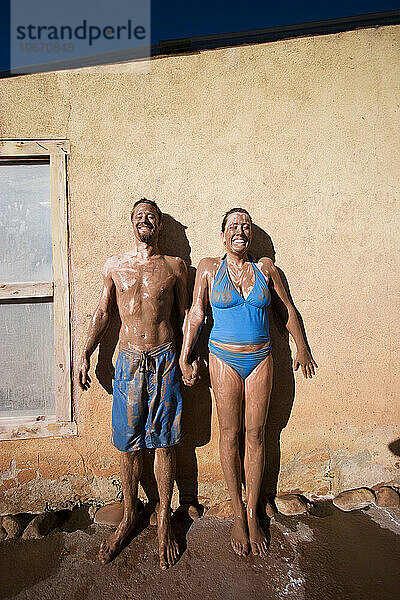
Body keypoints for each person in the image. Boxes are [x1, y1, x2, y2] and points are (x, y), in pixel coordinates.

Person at [180, 208, 317, 557]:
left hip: (260, 359)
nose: (240, 231)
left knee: (257, 435)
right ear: (223, 234)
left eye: (246, 226)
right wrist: (186, 354)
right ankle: (237, 515)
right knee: (230, 435)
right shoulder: (210, 268)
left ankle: (254, 513)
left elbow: (286, 309)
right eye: (233, 226)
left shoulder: (266, 268)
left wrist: (301, 346)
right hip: (223, 358)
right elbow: (196, 313)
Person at [78, 198, 194, 570]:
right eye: (139, 216)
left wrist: (189, 356)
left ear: (159, 226)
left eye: (152, 217)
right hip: (128, 362)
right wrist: (86, 352)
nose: (145, 220)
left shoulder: (175, 267)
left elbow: (187, 314)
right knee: (127, 443)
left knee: (165, 443)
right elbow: (103, 311)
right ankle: (130, 514)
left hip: (164, 359)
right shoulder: (115, 266)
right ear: (132, 223)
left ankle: (163, 520)